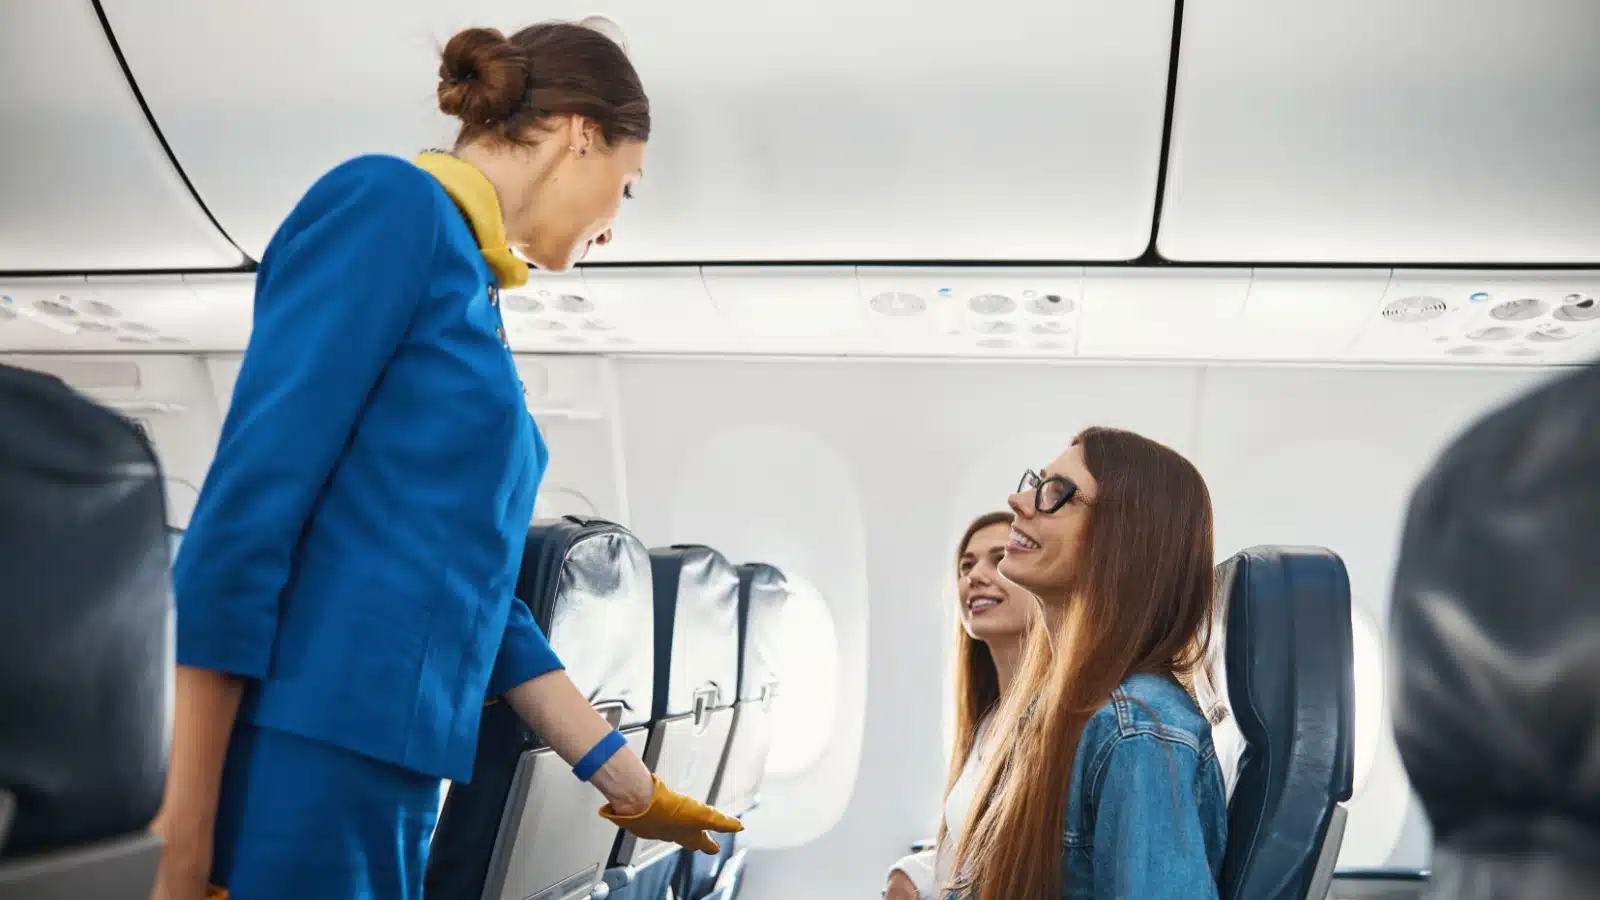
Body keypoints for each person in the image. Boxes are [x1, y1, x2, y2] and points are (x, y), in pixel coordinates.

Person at [148, 20, 738, 900]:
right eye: (628, 186)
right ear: (581, 130)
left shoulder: (470, 291)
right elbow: (246, 511)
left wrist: (628, 784)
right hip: (306, 755)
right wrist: (180, 844)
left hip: (394, 773)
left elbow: (476, 597)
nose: (616, 222)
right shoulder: (388, 208)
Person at [949, 427, 1228, 900]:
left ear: (1125, 537)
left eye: (1056, 493)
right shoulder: (1054, 708)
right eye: (1035, 482)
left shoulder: (1137, 730)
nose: (1019, 500)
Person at [886, 511, 1035, 900]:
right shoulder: (988, 719)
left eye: (1000, 559)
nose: (974, 576)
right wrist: (909, 875)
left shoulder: (1052, 723)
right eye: (965, 566)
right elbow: (966, 854)